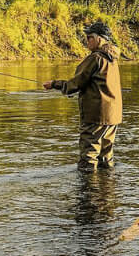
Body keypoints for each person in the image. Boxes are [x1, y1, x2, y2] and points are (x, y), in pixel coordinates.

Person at [43, 21, 123, 171]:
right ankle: (107, 190)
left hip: (96, 116)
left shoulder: (96, 58)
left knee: (89, 158)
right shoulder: (112, 57)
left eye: (89, 37)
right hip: (113, 115)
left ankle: (89, 191)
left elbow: (76, 83)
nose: (87, 41)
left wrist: (54, 84)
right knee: (106, 157)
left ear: (99, 38)